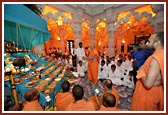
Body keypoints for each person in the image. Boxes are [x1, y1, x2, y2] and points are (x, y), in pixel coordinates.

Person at [131, 32, 164, 111]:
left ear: (157, 43)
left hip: (147, 95)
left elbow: (148, 84)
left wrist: (141, 72)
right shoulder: (162, 55)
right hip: (156, 91)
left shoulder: (155, 58)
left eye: (149, 41)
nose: (147, 43)